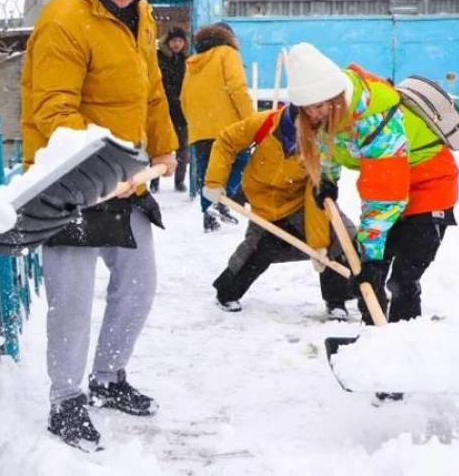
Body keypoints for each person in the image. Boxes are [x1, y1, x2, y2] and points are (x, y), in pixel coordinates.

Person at [21, 0, 178, 450]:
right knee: (73, 298)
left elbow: (151, 88)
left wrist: (163, 144)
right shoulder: (64, 20)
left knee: (139, 283)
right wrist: (105, 162)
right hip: (69, 180)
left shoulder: (141, 16)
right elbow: (53, 110)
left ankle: (108, 378)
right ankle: (65, 401)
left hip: (127, 177)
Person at [285, 42, 459, 325]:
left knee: (400, 275)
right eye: (306, 109)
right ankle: (375, 337)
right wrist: (327, 179)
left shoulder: (373, 118)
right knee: (367, 273)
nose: (313, 115)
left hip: (429, 185)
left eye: (317, 107)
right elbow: (328, 146)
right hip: (390, 185)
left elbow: (384, 195)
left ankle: (405, 339)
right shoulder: (324, 114)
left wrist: (370, 257)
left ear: (335, 97)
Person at [202, 103, 355, 317]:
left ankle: (336, 300)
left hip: (298, 200)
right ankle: (226, 292)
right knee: (260, 249)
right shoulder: (264, 123)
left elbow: (315, 197)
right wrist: (215, 182)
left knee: (337, 236)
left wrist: (319, 244)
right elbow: (227, 140)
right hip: (263, 200)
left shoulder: (320, 141)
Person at [181, 22, 252, 231]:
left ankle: (209, 214)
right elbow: (237, 88)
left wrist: (195, 123)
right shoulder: (228, 54)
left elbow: (184, 98)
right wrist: (251, 121)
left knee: (207, 173)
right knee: (242, 162)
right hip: (228, 126)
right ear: (229, 37)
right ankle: (223, 202)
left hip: (200, 130)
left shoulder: (192, 62)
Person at [151, 26, 190, 192]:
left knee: (183, 147)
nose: (177, 44)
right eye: (174, 40)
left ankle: (179, 181)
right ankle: (154, 180)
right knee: (159, 146)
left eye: (180, 41)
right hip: (162, 108)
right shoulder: (158, 58)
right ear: (168, 42)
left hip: (180, 111)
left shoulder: (186, 60)